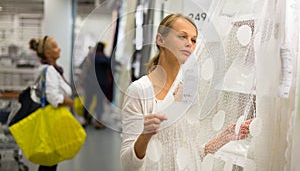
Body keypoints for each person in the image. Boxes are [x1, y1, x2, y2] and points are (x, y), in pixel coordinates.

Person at [120, 13, 253, 170]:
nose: (189, 43)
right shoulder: (139, 91)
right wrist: (145, 136)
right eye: (182, 37)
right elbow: (128, 164)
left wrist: (225, 137)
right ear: (160, 40)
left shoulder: (188, 91)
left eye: (193, 40)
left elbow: (192, 153)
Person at [29, 35, 73, 171]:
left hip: (51, 122)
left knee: (49, 162)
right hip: (51, 123)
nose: (59, 49)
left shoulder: (48, 69)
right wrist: (70, 102)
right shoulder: (49, 71)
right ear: (48, 53)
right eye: (55, 46)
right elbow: (54, 98)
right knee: (49, 163)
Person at [81, 41, 113, 129]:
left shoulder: (91, 57)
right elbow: (109, 72)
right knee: (99, 103)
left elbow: (84, 68)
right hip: (102, 84)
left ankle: (86, 119)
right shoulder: (106, 59)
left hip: (90, 83)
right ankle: (98, 122)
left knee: (88, 101)